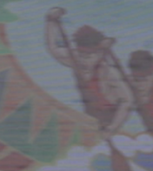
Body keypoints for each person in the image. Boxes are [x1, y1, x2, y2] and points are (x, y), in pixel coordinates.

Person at [44, 8, 132, 137]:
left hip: (110, 116)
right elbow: (54, 49)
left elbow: (127, 100)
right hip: (90, 116)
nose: (84, 60)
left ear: (99, 54)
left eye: (90, 55)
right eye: (82, 54)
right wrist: (50, 21)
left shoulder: (109, 72)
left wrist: (112, 128)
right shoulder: (74, 59)